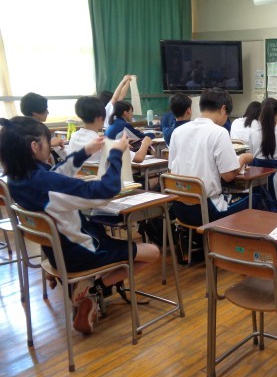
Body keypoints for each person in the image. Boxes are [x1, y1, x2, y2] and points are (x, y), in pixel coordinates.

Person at [0, 116, 159, 334]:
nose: (50, 145)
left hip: (56, 254)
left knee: (108, 238)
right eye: (47, 141)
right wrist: (115, 154)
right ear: (34, 146)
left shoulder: (17, 180)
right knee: (152, 252)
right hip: (81, 253)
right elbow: (104, 192)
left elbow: (55, 174)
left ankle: (83, 288)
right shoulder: (44, 183)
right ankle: (94, 288)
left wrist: (85, 151)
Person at [168, 88, 253, 226]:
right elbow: (229, 176)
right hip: (205, 210)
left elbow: (172, 170)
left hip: (179, 208)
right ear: (223, 109)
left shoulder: (177, 132)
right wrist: (243, 158)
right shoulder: (219, 132)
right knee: (256, 197)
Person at [70, 96, 152, 163]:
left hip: (82, 177)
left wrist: (118, 143)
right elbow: (139, 158)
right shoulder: (103, 144)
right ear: (101, 117)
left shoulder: (74, 137)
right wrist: (145, 143)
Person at [20, 92, 66, 163]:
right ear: (34, 112)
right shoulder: (37, 129)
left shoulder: (21, 125)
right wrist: (49, 144)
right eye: (45, 109)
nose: (48, 112)